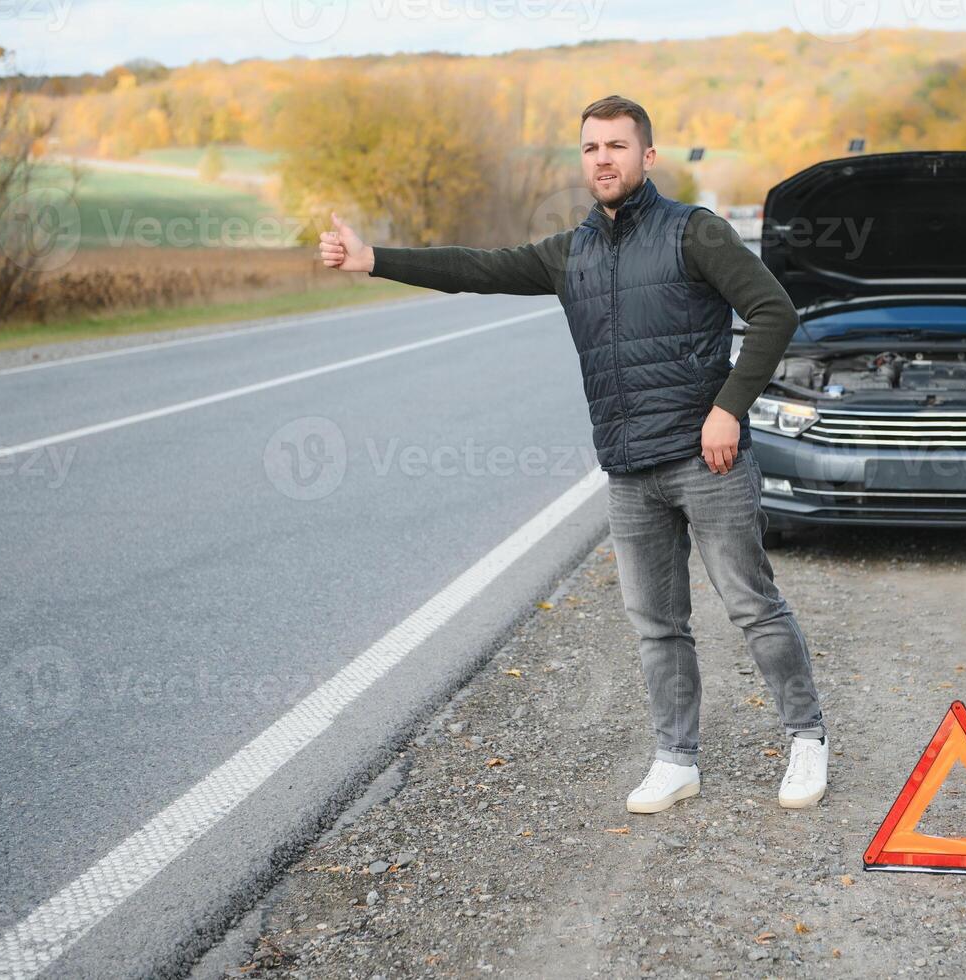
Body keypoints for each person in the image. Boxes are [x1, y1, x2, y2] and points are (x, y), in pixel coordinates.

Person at [319, 94, 828, 812]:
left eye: (617, 146)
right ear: (581, 160)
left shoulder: (695, 233)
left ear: (646, 156)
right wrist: (373, 259)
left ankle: (806, 739)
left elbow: (774, 311)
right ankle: (675, 758)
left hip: (705, 461)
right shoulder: (571, 251)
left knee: (751, 606)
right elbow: (477, 267)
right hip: (628, 470)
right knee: (656, 624)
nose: (603, 159)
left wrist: (726, 409)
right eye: (591, 148)